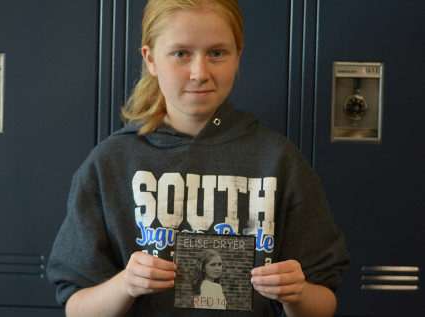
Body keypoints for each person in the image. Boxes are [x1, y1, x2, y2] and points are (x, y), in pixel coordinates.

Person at [47, 0, 350, 316]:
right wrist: (126, 284)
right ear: (150, 59)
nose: (199, 73)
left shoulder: (279, 160)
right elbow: (77, 308)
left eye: (217, 53)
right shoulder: (109, 163)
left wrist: (296, 293)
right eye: (181, 54)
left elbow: (323, 303)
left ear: (238, 55)